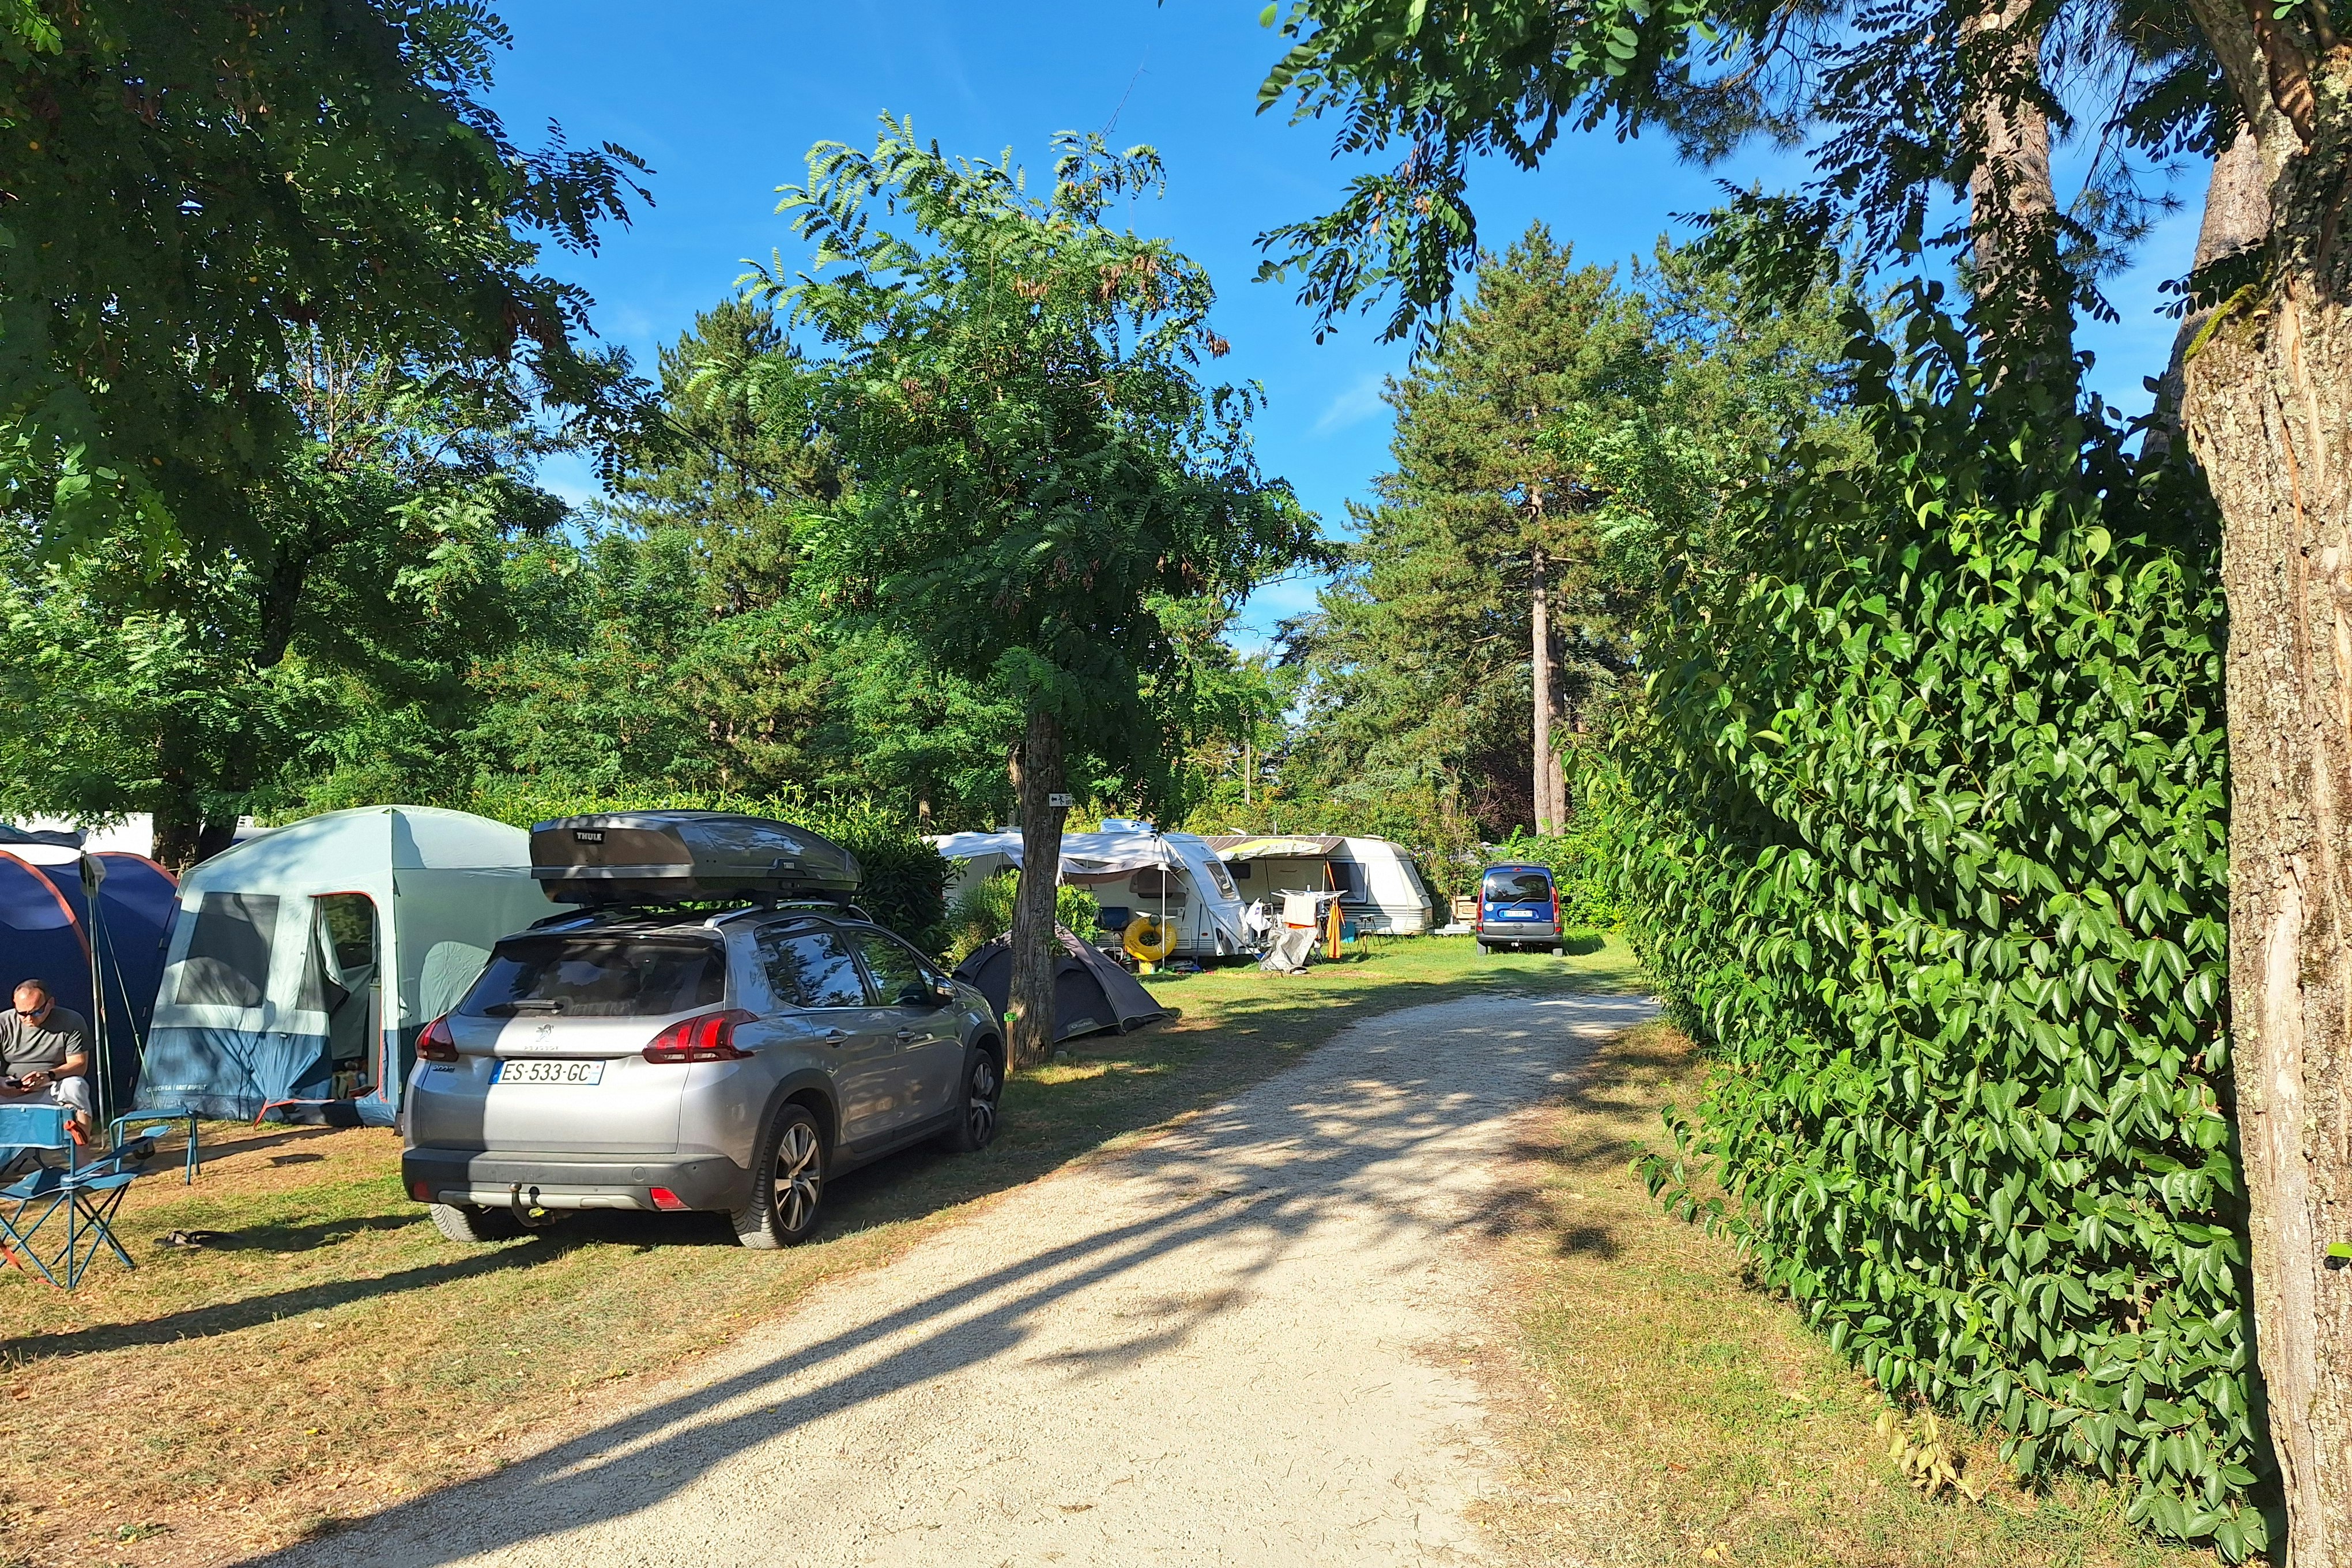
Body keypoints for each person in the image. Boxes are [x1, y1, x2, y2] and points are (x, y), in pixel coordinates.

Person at [0, 979, 93, 1140]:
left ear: (50, 1003)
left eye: (36, 1012)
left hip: (53, 1087)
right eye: (22, 1013)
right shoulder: (3, 1023)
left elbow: (79, 1064)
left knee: (76, 1086)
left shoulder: (71, 1021)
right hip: (10, 1089)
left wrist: (48, 1075)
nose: (29, 1018)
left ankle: (81, 1157)